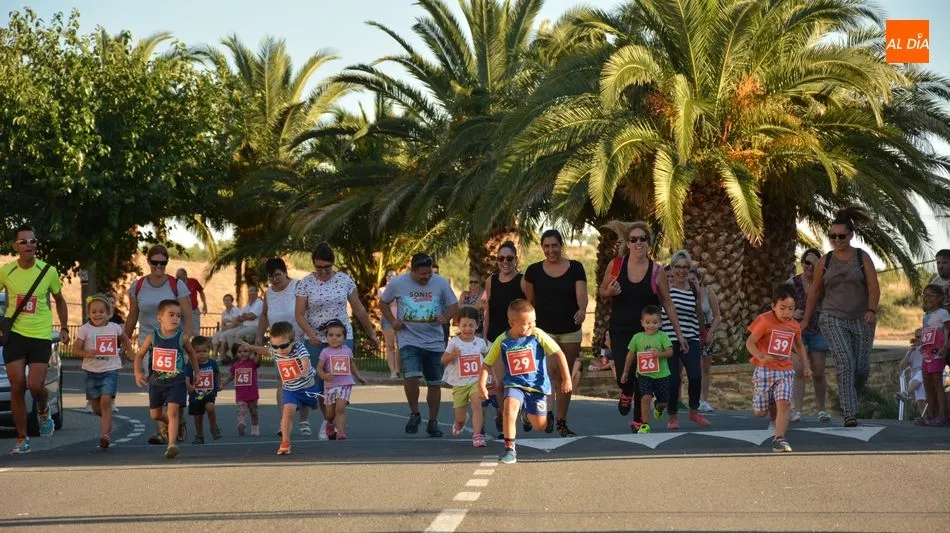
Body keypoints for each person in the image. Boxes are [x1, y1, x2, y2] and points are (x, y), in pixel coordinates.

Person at [597, 221, 686, 430]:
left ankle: (639, 421)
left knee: (642, 376)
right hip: (620, 329)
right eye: (633, 239)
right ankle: (625, 390)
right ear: (627, 243)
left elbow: (667, 302)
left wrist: (679, 335)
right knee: (623, 375)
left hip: (648, 332)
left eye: (642, 239)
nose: (638, 243)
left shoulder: (656, 271)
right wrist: (609, 292)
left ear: (649, 243)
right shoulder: (616, 265)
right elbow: (601, 291)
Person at [802, 208, 880, 427]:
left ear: (851, 235)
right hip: (832, 317)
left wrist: (872, 310)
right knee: (845, 361)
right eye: (833, 236)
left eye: (841, 236)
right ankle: (849, 412)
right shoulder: (824, 262)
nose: (837, 240)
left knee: (861, 367)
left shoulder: (861, 257)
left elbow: (874, 287)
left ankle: (850, 397)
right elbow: (815, 293)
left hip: (861, 318)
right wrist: (806, 321)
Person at [296, 243, 378, 439]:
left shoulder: (344, 281)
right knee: (321, 380)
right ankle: (328, 420)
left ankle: (335, 424)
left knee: (340, 379)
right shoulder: (305, 283)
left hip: (341, 336)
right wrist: (311, 334)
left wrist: (371, 333)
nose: (323, 271)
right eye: (319, 267)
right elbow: (299, 313)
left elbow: (358, 308)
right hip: (315, 338)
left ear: (333, 264)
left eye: (327, 267)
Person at [0, 225, 70, 454]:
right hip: (16, 334)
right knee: (17, 385)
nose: (30, 245)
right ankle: (22, 438)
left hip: (40, 334)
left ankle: (43, 408)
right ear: (15, 247)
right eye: (24, 242)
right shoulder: (6, 271)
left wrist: (64, 327)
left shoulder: (48, 271)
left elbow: (60, 300)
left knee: (35, 385)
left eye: (33, 241)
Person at [479, 299, 571, 465]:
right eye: (525, 323)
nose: (530, 326)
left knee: (540, 426)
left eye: (533, 322)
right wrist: (481, 384)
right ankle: (509, 449)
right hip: (514, 385)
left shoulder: (537, 335)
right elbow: (487, 363)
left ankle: (527, 414)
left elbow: (559, 354)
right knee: (509, 408)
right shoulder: (502, 340)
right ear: (512, 323)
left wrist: (566, 378)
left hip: (537, 387)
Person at [381, 252, 458, 437]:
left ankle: (433, 422)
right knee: (412, 377)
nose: (426, 277)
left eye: (429, 274)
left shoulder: (439, 283)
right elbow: (383, 303)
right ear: (412, 270)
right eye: (422, 274)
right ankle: (415, 413)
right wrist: (393, 321)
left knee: (434, 383)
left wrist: (445, 317)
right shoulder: (398, 283)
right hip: (409, 339)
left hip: (434, 341)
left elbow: (453, 305)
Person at [124, 244, 192, 443]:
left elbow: (187, 314)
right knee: (156, 385)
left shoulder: (176, 285)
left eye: (163, 263)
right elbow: (132, 315)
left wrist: (186, 339)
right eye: (155, 262)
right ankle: (164, 430)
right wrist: (124, 340)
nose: (159, 266)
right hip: (150, 342)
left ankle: (173, 424)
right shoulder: (138, 286)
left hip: (173, 344)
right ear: (149, 262)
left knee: (172, 385)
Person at [522, 229, 585, 437]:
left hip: (570, 332)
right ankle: (548, 412)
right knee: (550, 373)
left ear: (561, 245)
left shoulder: (576, 268)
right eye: (546, 246)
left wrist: (582, 309)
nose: (551, 250)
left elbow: (582, 296)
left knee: (565, 377)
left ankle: (562, 421)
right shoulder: (533, 271)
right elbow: (529, 303)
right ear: (542, 247)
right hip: (544, 331)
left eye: (554, 245)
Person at [746, 283, 812, 453]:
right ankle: (768, 403)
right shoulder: (765, 321)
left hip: (785, 370)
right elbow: (750, 342)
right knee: (760, 412)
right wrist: (761, 356)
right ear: (773, 306)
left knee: (784, 403)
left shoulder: (794, 325)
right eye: (782, 308)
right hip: (765, 370)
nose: (786, 313)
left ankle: (779, 439)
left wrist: (806, 367)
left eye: (791, 309)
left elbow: (800, 346)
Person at [241, 321, 321, 455]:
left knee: (310, 404)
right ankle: (285, 443)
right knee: (287, 412)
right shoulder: (276, 350)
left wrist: (303, 372)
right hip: (290, 388)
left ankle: (312, 402)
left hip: (306, 386)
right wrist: (250, 347)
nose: (279, 350)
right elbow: (265, 350)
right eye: (275, 346)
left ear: (293, 341)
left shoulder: (299, 348)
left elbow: (305, 361)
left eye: (283, 346)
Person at [133, 299, 199, 459]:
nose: (175, 318)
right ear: (160, 318)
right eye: (171, 315)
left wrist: (196, 371)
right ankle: (175, 425)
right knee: (155, 415)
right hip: (156, 382)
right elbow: (140, 355)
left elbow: (191, 353)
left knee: (173, 411)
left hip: (176, 382)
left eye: (178, 316)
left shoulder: (181, 338)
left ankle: (171, 444)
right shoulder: (152, 337)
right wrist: (138, 372)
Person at [72, 294, 132, 449]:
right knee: (96, 407)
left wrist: (127, 352)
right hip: (91, 371)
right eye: (94, 312)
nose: (97, 315)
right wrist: (86, 353)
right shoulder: (85, 329)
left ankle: (105, 435)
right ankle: (107, 420)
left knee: (106, 400)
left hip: (110, 370)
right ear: (88, 314)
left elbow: (125, 338)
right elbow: (75, 350)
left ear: (108, 313)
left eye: (101, 311)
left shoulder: (114, 327)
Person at [660, 251, 709, 429]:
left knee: (695, 375)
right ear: (672, 268)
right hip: (670, 339)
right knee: (673, 380)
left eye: (685, 267)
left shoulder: (693, 288)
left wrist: (703, 334)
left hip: (692, 337)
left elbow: (698, 312)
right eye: (678, 267)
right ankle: (672, 417)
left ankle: (694, 412)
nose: (681, 270)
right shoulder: (665, 289)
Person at [483, 241, 525, 435]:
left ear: (516, 259)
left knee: (518, 381)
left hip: (518, 339)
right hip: (495, 337)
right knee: (499, 383)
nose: (505, 262)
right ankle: (502, 416)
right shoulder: (491, 280)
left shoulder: (523, 281)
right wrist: (484, 334)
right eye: (501, 258)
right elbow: (488, 308)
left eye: (509, 258)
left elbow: (530, 308)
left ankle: (520, 413)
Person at [789, 248, 832, 423]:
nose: (809, 267)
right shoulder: (792, 283)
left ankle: (822, 409)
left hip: (818, 331)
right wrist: (792, 314)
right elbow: (779, 305)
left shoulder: (823, 284)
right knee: (799, 370)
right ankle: (797, 410)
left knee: (819, 371)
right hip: (798, 331)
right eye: (807, 262)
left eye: (814, 264)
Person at [441, 307, 491, 447]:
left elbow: (488, 361)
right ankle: (460, 422)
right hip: (459, 382)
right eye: (464, 325)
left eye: (471, 325)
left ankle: (478, 435)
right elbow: (443, 359)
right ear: (458, 325)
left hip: (476, 380)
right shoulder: (454, 342)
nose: (467, 329)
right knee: (460, 415)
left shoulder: (480, 343)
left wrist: (492, 377)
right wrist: (451, 356)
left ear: (477, 325)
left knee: (477, 404)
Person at [256, 258, 301, 412]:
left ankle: (303, 420)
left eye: (277, 275)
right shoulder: (269, 293)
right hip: (278, 345)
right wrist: (259, 337)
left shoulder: (298, 286)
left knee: (301, 380)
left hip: (299, 341)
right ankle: (284, 420)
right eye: (270, 276)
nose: (274, 279)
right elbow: (263, 315)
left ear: (285, 272)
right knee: (282, 380)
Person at [620, 305, 673, 433]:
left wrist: (659, 354)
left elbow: (670, 352)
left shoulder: (663, 336)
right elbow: (630, 355)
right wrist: (625, 372)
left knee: (664, 402)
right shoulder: (637, 337)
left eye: (655, 322)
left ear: (660, 323)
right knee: (645, 397)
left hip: (662, 375)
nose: (651, 326)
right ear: (642, 323)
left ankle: (659, 408)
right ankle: (645, 424)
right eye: (648, 322)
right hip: (644, 375)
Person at [315, 319, 368, 441]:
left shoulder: (347, 351)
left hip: (345, 383)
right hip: (330, 385)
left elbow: (351, 364)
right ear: (327, 337)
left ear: (344, 338)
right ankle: (329, 424)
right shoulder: (325, 352)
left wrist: (359, 377)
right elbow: (319, 368)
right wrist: (324, 376)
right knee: (329, 414)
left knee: (340, 408)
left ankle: (340, 432)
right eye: (331, 335)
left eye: (338, 336)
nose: (334, 338)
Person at [915, 284, 950, 425]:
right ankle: (931, 415)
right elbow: (926, 333)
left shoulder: (943, 313)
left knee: (937, 382)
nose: (927, 298)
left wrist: (946, 347)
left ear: (940, 298)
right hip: (927, 353)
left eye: (931, 295)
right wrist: (919, 342)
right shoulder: (926, 315)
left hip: (938, 353)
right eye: (925, 295)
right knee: (927, 383)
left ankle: (942, 415)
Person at [690, 268, 720, 413]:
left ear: (699, 280)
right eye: (688, 280)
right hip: (691, 331)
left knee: (705, 368)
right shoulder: (685, 293)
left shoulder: (708, 292)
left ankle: (704, 400)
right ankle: (692, 399)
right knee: (692, 367)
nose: (691, 283)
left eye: (693, 280)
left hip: (707, 331)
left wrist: (710, 333)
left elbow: (717, 316)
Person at [185, 336, 221, 444]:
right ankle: (199, 435)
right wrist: (189, 386)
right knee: (197, 416)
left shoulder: (212, 363)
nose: (201, 354)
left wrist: (220, 383)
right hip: (196, 393)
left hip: (209, 392)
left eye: (204, 351)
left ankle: (214, 427)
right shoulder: (190, 365)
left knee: (210, 407)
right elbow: (186, 378)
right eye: (198, 351)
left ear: (209, 350)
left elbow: (217, 373)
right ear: (192, 352)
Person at [221, 341, 261, 436]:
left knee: (253, 411)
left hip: (252, 392)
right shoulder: (235, 365)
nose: (242, 353)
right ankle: (241, 423)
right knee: (241, 410)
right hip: (241, 393)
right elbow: (231, 376)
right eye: (239, 352)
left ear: (250, 352)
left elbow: (258, 359)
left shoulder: (252, 363)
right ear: (236, 353)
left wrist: (257, 350)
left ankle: (255, 426)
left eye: (245, 351)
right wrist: (223, 383)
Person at [896, 329, 926, 417]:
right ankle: (925, 418)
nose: (919, 339)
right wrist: (909, 353)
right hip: (916, 381)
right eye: (917, 337)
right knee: (920, 400)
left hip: (929, 375)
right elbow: (901, 368)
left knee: (922, 373)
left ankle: (906, 393)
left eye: (922, 337)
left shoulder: (928, 349)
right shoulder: (913, 351)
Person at [379, 269, 401, 379]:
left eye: (394, 275)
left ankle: (398, 369)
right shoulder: (382, 290)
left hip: (399, 318)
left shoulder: (400, 289)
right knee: (390, 346)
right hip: (388, 319)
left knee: (399, 346)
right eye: (389, 276)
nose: (391, 277)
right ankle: (392, 370)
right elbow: (389, 301)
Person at [176, 268, 207, 335]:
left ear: (185, 275)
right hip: (181, 312)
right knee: (181, 331)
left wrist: (204, 304)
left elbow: (201, 292)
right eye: (177, 276)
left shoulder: (193, 281)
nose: (178, 278)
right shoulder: (176, 284)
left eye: (179, 277)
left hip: (193, 310)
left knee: (195, 331)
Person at [212, 294, 241, 361]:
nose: (226, 302)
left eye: (228, 300)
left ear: (232, 301)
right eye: (225, 300)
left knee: (223, 334)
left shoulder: (236, 310)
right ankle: (214, 355)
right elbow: (222, 324)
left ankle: (222, 356)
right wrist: (223, 328)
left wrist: (225, 328)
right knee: (216, 335)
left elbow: (235, 324)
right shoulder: (224, 312)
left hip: (236, 328)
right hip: (227, 328)